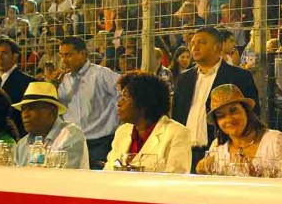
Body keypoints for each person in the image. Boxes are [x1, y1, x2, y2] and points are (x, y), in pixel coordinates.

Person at [172, 26, 260, 172]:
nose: (195, 47)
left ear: (217, 47)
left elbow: (252, 114)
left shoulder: (238, 76)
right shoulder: (184, 79)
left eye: (202, 42)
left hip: (220, 153)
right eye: (193, 43)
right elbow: (177, 115)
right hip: (184, 153)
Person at [104, 72, 193, 174]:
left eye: (126, 96)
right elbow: (108, 172)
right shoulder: (122, 132)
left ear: (144, 101)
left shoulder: (177, 133)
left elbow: (176, 180)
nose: (119, 103)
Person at [196, 84, 282, 174]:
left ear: (246, 111)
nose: (229, 119)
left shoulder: (275, 141)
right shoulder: (217, 147)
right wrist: (203, 172)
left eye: (234, 111)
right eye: (221, 116)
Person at [57, 36, 120, 170]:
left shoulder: (102, 75)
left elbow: (125, 93)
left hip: (101, 143)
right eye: (61, 55)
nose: (64, 60)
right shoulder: (61, 81)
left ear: (83, 54)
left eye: (68, 55)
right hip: (72, 142)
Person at [13, 82, 89, 169]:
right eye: (23, 109)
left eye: (31, 108)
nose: (25, 115)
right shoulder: (22, 144)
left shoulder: (71, 135)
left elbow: (66, 177)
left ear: (52, 112)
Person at [0, 37, 35, 136]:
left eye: (4, 53)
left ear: (15, 56)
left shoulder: (28, 82)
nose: (0, 57)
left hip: (19, 140)